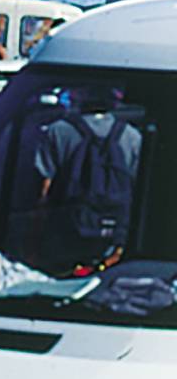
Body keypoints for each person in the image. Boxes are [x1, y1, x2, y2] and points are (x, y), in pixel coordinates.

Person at [34, 89, 143, 275]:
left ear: (78, 96)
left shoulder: (58, 131)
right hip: (114, 233)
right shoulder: (132, 136)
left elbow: (45, 186)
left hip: (67, 230)